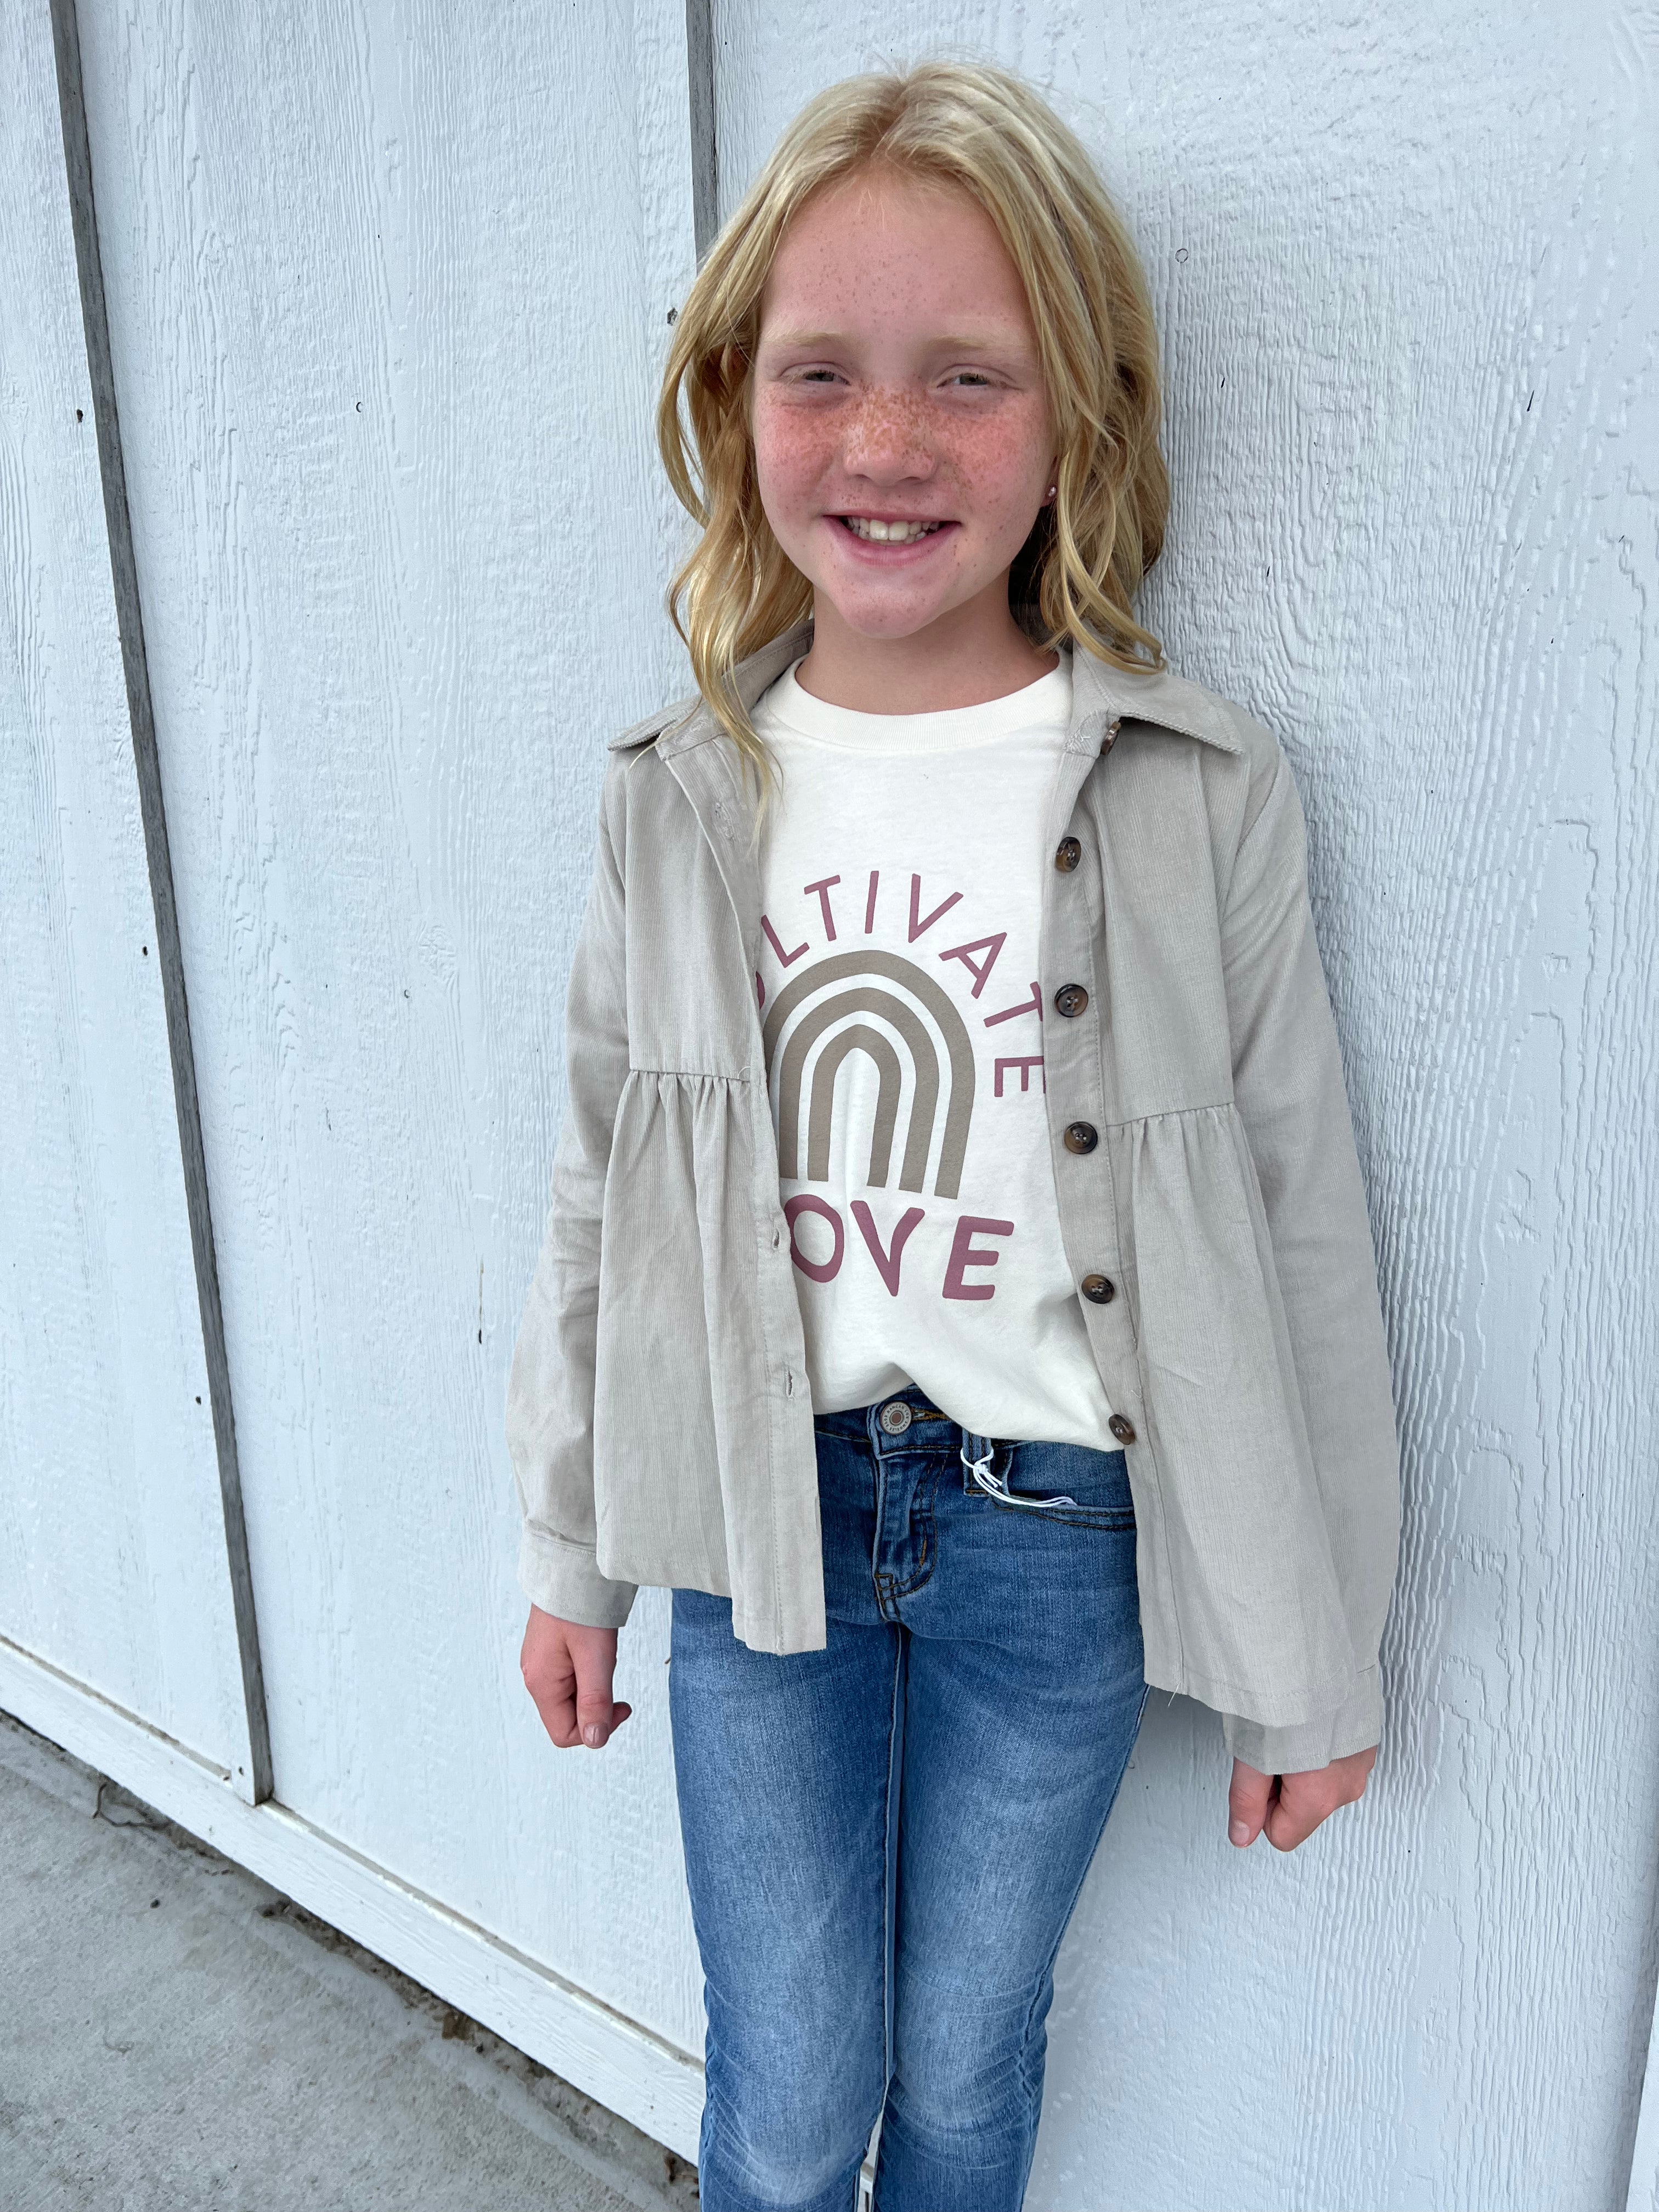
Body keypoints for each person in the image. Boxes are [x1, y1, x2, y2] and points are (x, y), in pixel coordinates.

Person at [506, 59, 1400, 2212]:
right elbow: (602, 1182)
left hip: (1057, 1539)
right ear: (734, 401)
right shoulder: (680, 788)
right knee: (789, 2086)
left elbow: (1297, 1227)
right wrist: (569, 1554)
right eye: (821, 372)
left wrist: (1311, 1663)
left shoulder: (1195, 793)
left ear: (1077, 410)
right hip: (757, 1520)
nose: (887, 441)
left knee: (971, 2062)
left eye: (967, 377)